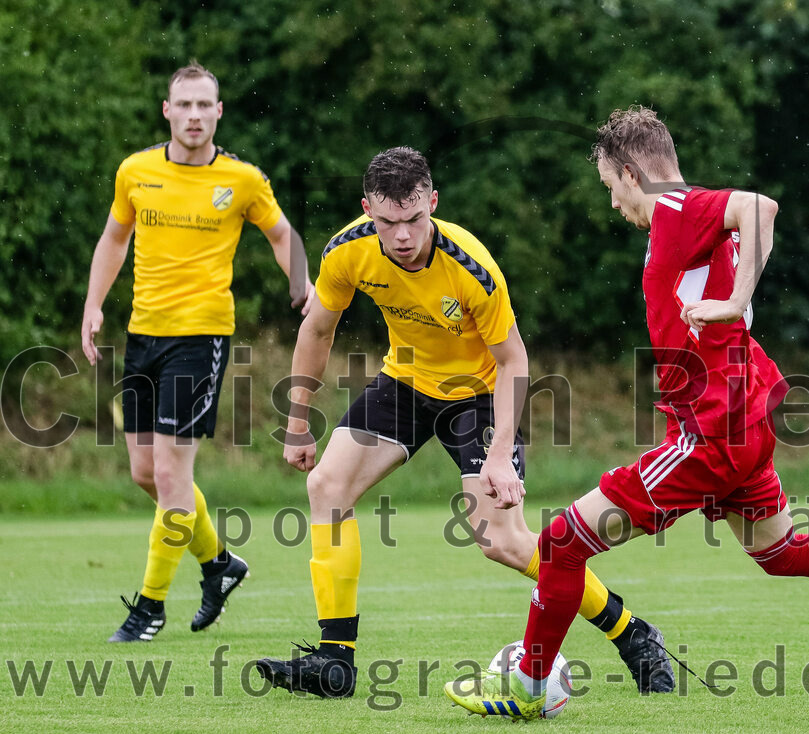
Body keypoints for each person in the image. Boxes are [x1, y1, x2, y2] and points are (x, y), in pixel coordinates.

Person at [445, 106, 809, 719]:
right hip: (741, 428)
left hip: (711, 435)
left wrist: (735, 300)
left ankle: (526, 688)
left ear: (631, 173)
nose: (612, 205)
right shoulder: (686, 226)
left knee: (561, 542)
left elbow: (761, 206)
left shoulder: (678, 210)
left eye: (609, 188)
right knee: (780, 553)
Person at [255, 146, 675, 698]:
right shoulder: (348, 250)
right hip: (405, 383)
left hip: (478, 396)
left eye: (413, 220)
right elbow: (316, 331)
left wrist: (499, 453)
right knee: (326, 486)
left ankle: (633, 633)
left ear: (432, 202)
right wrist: (297, 420)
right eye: (387, 222)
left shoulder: (471, 267)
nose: (402, 236)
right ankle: (335, 664)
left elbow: (513, 362)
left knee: (502, 541)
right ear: (367, 210)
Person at [81, 60, 313, 642]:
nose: (192, 115)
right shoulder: (135, 171)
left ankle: (150, 607)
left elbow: (283, 233)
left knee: (170, 470)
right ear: (167, 110)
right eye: (182, 105)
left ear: (218, 112)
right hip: (143, 335)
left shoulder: (242, 180)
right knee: (146, 475)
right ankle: (218, 565)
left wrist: (302, 284)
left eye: (203, 105)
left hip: (201, 337)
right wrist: (92, 306)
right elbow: (115, 238)